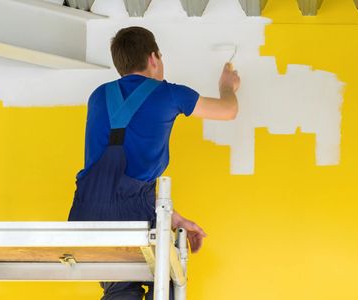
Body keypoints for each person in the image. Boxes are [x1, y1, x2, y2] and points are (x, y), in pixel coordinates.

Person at [67, 26, 240, 300]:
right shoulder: (169, 94)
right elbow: (228, 110)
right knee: (171, 278)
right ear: (153, 58)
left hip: (85, 213)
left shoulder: (99, 95)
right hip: (131, 213)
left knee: (121, 287)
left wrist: (176, 219)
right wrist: (227, 87)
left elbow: (120, 184)